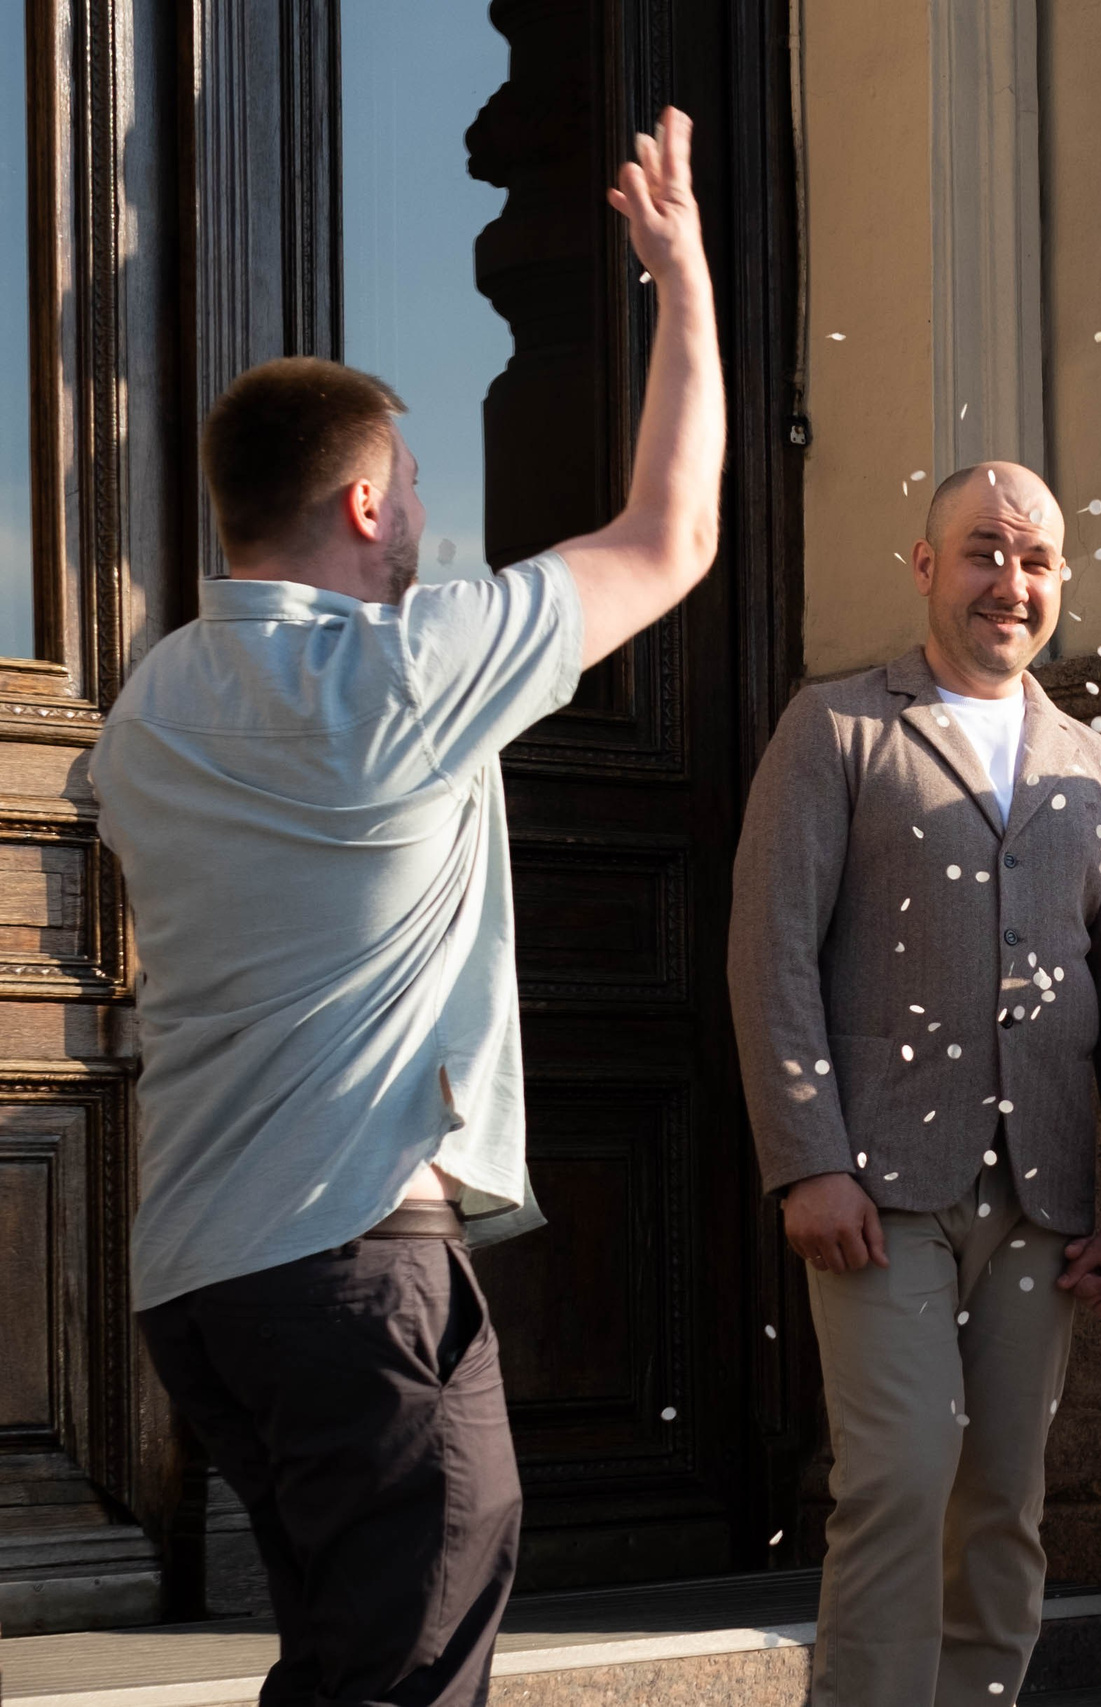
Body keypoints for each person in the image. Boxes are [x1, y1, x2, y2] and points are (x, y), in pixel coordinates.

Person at [89, 112, 723, 1707]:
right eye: (420, 487)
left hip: (202, 1283)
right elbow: (674, 536)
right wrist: (682, 278)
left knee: (345, 1657)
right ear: (367, 504)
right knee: (409, 1664)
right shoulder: (401, 673)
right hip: (355, 1256)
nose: (431, 518)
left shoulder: (149, 706)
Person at [727, 460, 1101, 1707]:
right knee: (901, 1477)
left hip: (1045, 1204)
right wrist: (807, 1159)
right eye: (984, 551)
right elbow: (771, 952)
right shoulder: (836, 727)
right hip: (877, 1191)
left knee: (1002, 1501)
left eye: (1036, 560)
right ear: (925, 565)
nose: (1010, 581)